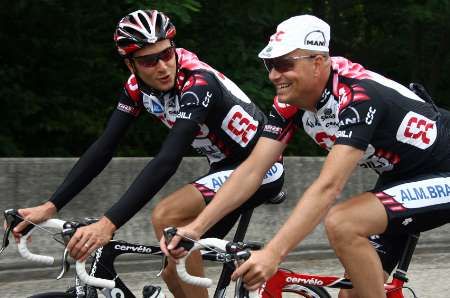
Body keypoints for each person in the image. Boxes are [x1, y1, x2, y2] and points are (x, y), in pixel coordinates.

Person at [163, 15, 450, 298]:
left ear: (318, 62)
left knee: (344, 222)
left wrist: (273, 253)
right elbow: (252, 170)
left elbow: (328, 187)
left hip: (444, 168)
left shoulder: (358, 97)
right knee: (354, 293)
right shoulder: (291, 103)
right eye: (270, 64)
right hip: (402, 176)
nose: (274, 75)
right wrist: (195, 229)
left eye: (285, 64)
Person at [8, 9, 284, 298]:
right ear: (131, 64)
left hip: (261, 167)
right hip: (224, 168)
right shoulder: (136, 89)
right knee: (171, 270)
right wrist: (51, 206)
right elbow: (104, 148)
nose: (163, 66)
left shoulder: (198, 84)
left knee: (167, 215)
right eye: (149, 60)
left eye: (167, 54)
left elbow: (167, 160)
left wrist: (107, 224)